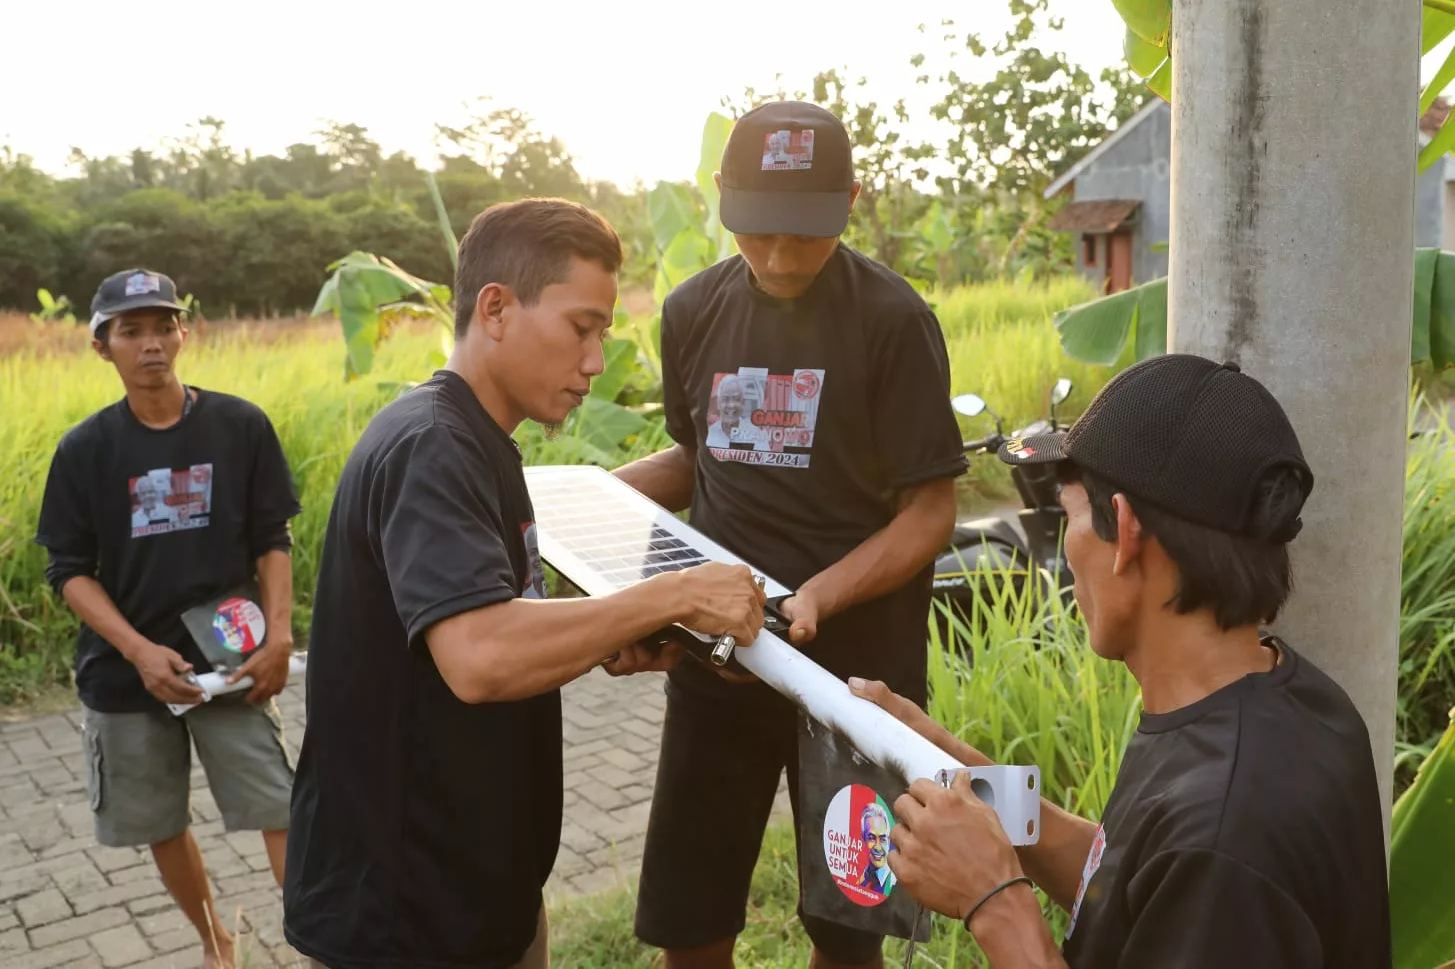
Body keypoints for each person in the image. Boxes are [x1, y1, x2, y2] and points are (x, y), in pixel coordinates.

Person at [281, 198, 767, 969]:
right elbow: (480, 657)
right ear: (497, 309)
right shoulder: (433, 447)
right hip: (405, 914)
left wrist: (606, 630)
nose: (596, 360)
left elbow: (492, 622)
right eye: (582, 326)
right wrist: (672, 594)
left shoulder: (478, 442)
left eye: (603, 332)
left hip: (476, 886)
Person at [850, 354, 1393, 968]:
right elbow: (1134, 882)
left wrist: (996, 903)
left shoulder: (1225, 837)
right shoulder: (1290, 700)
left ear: (1126, 534)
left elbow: (1193, 864)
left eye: (1070, 515)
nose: (1067, 543)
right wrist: (947, 763)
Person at [615, 101, 968, 969]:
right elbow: (702, 458)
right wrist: (587, 503)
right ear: (723, 198)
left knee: (851, 930)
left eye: (802, 235)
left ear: (850, 200)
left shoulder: (893, 321)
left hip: (857, 683)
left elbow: (929, 510)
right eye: (755, 231)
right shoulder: (693, 310)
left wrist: (815, 596)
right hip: (718, 661)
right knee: (690, 917)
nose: (775, 258)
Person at [34, 268, 303, 969]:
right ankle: (218, 944)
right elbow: (69, 570)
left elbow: (272, 539)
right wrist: (139, 651)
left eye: (163, 327)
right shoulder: (85, 450)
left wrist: (279, 637)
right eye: (131, 331)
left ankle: (317, 941)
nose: (150, 344)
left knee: (277, 803)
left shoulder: (239, 426)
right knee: (161, 823)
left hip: (230, 654)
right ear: (103, 346)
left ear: (185, 333)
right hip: (128, 674)